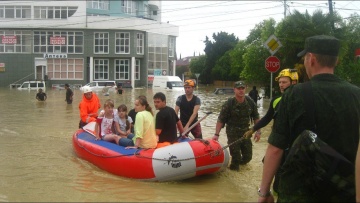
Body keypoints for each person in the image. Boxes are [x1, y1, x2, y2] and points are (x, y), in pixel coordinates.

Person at [258, 35, 360, 202]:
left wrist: (264, 192)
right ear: (337, 61)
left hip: (303, 193)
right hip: (346, 191)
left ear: (311, 59)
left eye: (305, 58)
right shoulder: (357, 94)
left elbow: (275, 149)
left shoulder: (294, 95)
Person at [243, 69, 298, 192]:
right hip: (279, 143)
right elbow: (268, 118)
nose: (281, 85)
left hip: (295, 144)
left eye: (284, 82)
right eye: (280, 82)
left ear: (294, 82)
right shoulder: (276, 100)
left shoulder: (301, 100)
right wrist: (253, 129)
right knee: (276, 176)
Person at [212, 81, 260, 171]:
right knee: (236, 158)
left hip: (246, 132)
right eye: (239, 88)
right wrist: (216, 134)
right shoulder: (229, 104)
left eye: (243, 88)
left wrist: (258, 131)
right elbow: (220, 120)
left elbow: (256, 117)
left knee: (248, 157)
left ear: (246, 88)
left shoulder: (250, 102)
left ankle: (238, 169)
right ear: (234, 90)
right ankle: (233, 172)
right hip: (232, 133)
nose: (241, 90)